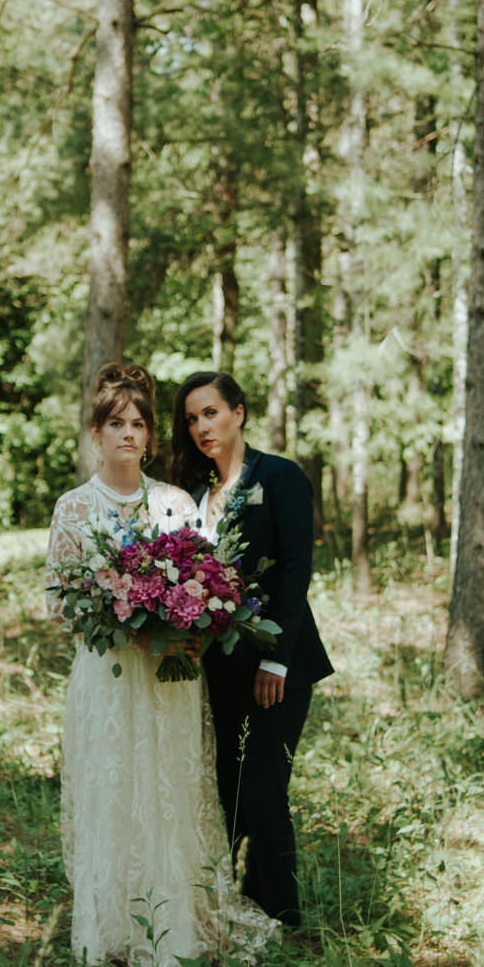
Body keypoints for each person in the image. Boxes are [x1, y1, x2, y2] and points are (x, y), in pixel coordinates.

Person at [45, 363, 279, 967]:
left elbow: (210, 586)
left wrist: (181, 623)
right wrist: (111, 609)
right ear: (96, 432)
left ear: (151, 435)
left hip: (170, 676)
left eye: (139, 424)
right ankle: (113, 928)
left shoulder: (174, 503)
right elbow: (57, 602)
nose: (128, 434)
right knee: (113, 789)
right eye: (116, 423)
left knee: (170, 790)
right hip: (107, 678)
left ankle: (176, 923)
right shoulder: (73, 509)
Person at [173, 370, 334, 929]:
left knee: (265, 789)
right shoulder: (193, 493)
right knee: (231, 791)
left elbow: (295, 573)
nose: (201, 427)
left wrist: (275, 657)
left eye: (211, 413)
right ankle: (244, 906)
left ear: (239, 413)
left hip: (277, 665)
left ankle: (285, 921)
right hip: (217, 667)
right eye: (192, 418)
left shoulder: (281, 476)